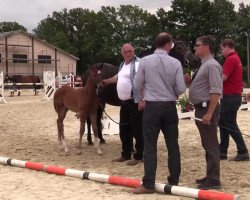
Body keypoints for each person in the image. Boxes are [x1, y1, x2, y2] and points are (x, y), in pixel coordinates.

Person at [132, 32, 186, 194]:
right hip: (169, 106)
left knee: (150, 147)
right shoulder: (175, 62)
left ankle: (148, 183)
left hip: (152, 107)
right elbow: (182, 88)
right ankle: (174, 181)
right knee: (173, 145)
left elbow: (136, 84)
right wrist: (174, 93)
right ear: (168, 45)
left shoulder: (145, 61)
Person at [187, 35, 222, 190]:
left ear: (206, 47)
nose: (195, 48)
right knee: (207, 143)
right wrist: (190, 82)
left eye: (197, 45)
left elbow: (215, 91)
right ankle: (210, 175)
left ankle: (214, 180)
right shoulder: (204, 64)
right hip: (202, 107)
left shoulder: (212, 65)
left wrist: (209, 113)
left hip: (207, 108)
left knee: (211, 144)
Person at [103, 43, 144, 166]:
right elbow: (118, 77)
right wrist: (107, 81)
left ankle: (139, 155)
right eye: (125, 52)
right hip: (124, 102)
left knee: (137, 130)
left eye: (130, 51)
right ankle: (126, 153)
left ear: (134, 51)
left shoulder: (138, 64)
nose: (128, 53)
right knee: (124, 129)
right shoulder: (123, 65)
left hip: (135, 101)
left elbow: (144, 81)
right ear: (122, 53)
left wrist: (143, 99)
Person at [219, 38, 249, 161]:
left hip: (230, 96)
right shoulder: (236, 58)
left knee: (229, 123)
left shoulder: (230, 59)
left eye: (222, 49)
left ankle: (243, 151)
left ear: (227, 46)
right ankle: (222, 151)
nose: (221, 52)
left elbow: (223, 77)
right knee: (223, 123)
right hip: (233, 96)